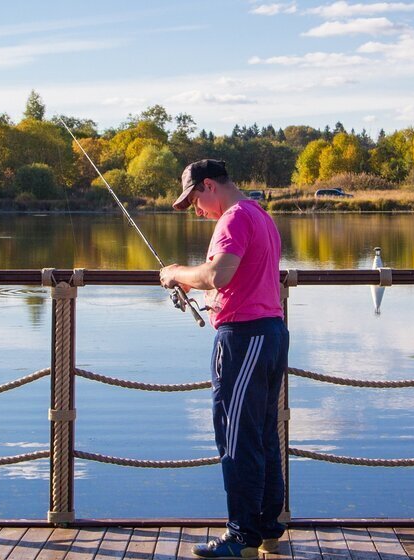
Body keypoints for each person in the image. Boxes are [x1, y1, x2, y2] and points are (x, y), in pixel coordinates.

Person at [160, 159, 289, 559]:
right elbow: (238, 280)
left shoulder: (233, 219)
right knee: (262, 433)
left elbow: (219, 274)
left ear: (209, 185)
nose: (196, 210)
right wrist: (215, 301)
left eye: (194, 199)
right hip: (269, 333)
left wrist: (176, 273)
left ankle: (241, 536)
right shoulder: (259, 214)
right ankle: (267, 527)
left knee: (236, 438)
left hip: (244, 339)